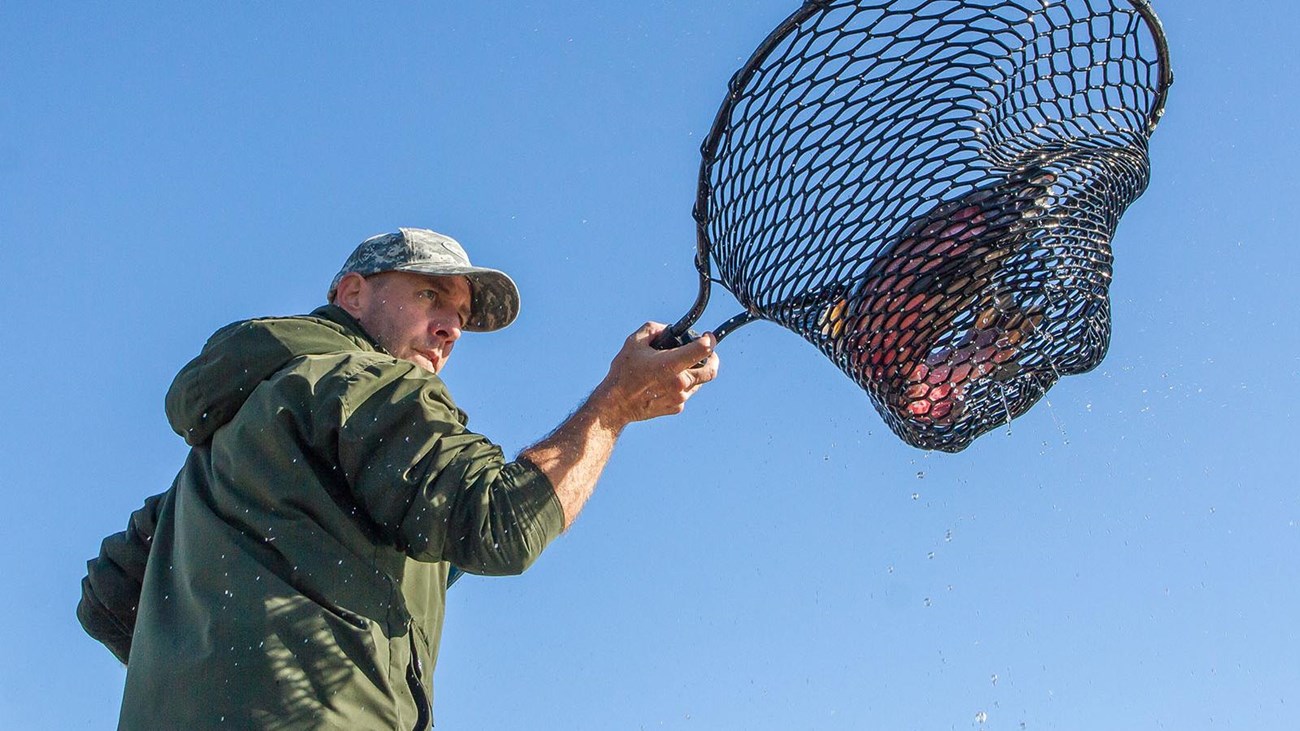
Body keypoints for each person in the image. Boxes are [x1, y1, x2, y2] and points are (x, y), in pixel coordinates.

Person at [77, 227, 720, 729]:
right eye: (429, 295)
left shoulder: (228, 450)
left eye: (461, 317)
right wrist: (615, 406)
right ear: (353, 293)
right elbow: (502, 525)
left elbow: (108, 593)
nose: (448, 328)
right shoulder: (359, 382)